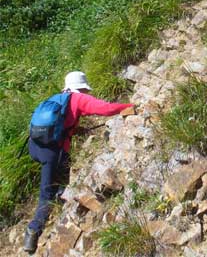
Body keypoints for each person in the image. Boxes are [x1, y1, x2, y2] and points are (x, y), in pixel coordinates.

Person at [23, 71, 133, 253]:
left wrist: (75, 129)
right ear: (81, 87)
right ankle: (33, 231)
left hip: (35, 147)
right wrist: (129, 106)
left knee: (61, 179)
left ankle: (62, 198)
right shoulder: (78, 99)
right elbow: (105, 108)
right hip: (52, 153)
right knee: (46, 194)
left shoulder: (56, 99)